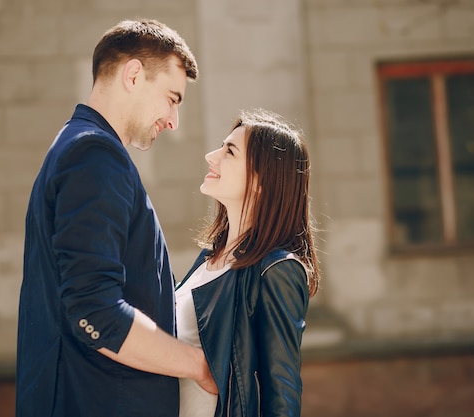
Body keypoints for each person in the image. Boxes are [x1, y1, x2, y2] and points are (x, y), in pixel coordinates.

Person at [16, 19, 217, 417]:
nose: (174, 120)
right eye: (172, 98)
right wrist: (199, 366)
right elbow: (95, 311)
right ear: (134, 75)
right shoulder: (93, 155)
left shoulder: (79, 147)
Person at [175, 109, 321, 417]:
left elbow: (281, 390)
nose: (211, 156)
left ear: (261, 181)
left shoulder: (277, 270)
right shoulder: (208, 258)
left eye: (229, 151)